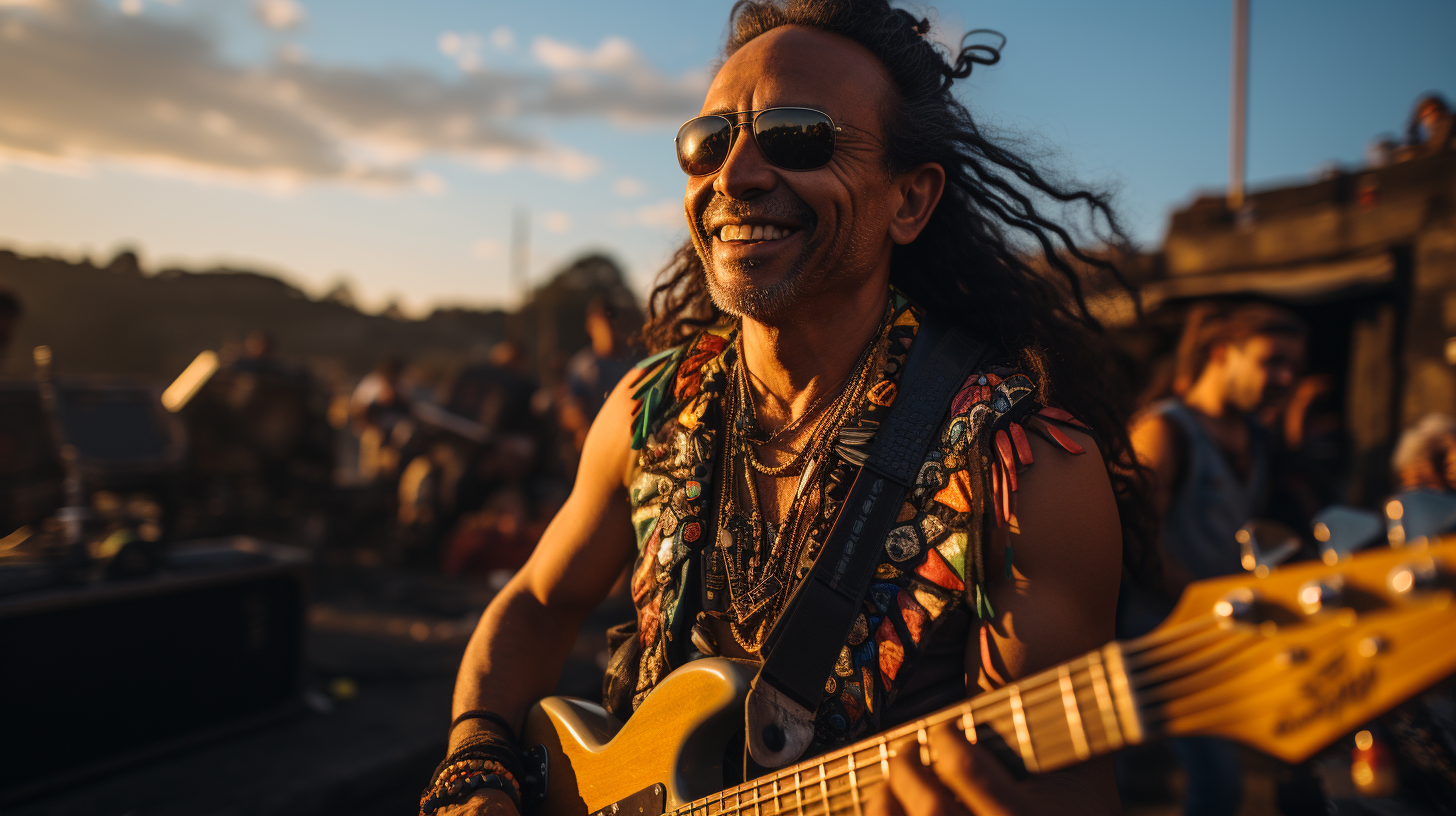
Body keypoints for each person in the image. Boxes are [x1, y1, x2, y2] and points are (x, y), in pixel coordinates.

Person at [428, 2, 1154, 814]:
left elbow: (1076, 785)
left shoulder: (1024, 467)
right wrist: (478, 762)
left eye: (797, 136)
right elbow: (535, 601)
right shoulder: (651, 408)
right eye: (707, 142)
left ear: (909, 200)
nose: (733, 176)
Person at [1123, 299, 1307, 816]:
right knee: (1212, 784)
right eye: (1273, 360)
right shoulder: (1164, 430)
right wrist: (1214, 600)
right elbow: (1134, 543)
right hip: (1160, 634)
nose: (1287, 377)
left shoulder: (1254, 437)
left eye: (1295, 365)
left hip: (1218, 634)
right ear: (1224, 354)